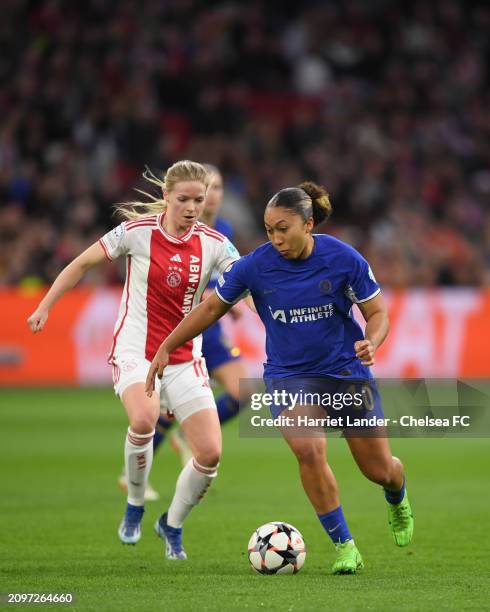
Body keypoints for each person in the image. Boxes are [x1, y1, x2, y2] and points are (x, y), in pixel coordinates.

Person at [145, 181, 414, 574]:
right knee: (308, 450)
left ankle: (397, 493)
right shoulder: (255, 266)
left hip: (345, 373)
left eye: (283, 228)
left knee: (379, 470)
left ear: (307, 224)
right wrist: (168, 345)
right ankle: (345, 546)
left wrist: (371, 342)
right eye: (269, 229)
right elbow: (211, 309)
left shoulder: (343, 258)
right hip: (290, 376)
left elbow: (379, 313)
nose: (276, 238)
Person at [27, 160, 240, 559]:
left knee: (210, 454)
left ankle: (171, 525)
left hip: (183, 359)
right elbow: (82, 263)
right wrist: (45, 305)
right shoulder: (136, 233)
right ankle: (135, 505)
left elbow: (245, 281)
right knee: (143, 420)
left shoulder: (215, 242)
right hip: (135, 353)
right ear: (166, 197)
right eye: (183, 199)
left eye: (198, 199)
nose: (192, 207)